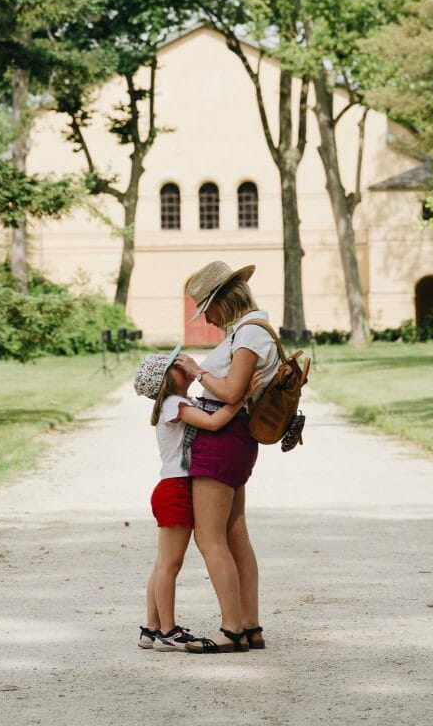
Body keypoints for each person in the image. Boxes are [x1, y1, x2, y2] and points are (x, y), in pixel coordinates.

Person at [175, 260, 279, 655]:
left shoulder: (250, 335)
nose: (210, 319)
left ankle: (231, 628)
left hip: (221, 441)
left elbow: (233, 392)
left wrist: (197, 371)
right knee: (235, 535)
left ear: (223, 300)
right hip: (235, 440)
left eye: (209, 309)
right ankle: (249, 625)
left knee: (209, 537)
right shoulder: (250, 330)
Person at [133, 344, 249, 652]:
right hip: (176, 488)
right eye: (175, 364)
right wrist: (241, 397)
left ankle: (152, 627)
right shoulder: (173, 404)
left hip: (173, 487)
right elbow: (213, 423)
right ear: (166, 380)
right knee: (170, 564)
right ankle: (168, 631)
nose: (183, 363)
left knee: (164, 563)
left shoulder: (179, 401)